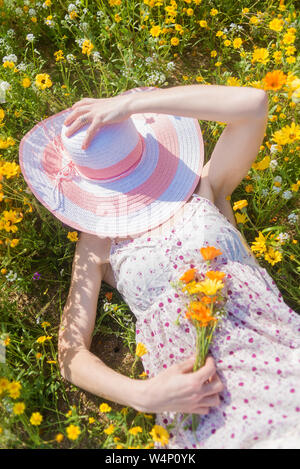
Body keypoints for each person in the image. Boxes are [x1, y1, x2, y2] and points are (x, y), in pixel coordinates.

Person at [19, 84, 300, 449]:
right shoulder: (96, 241)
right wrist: (143, 395)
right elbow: (70, 353)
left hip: (279, 352)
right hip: (205, 395)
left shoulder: (201, 185)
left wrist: (131, 103)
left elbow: (254, 104)